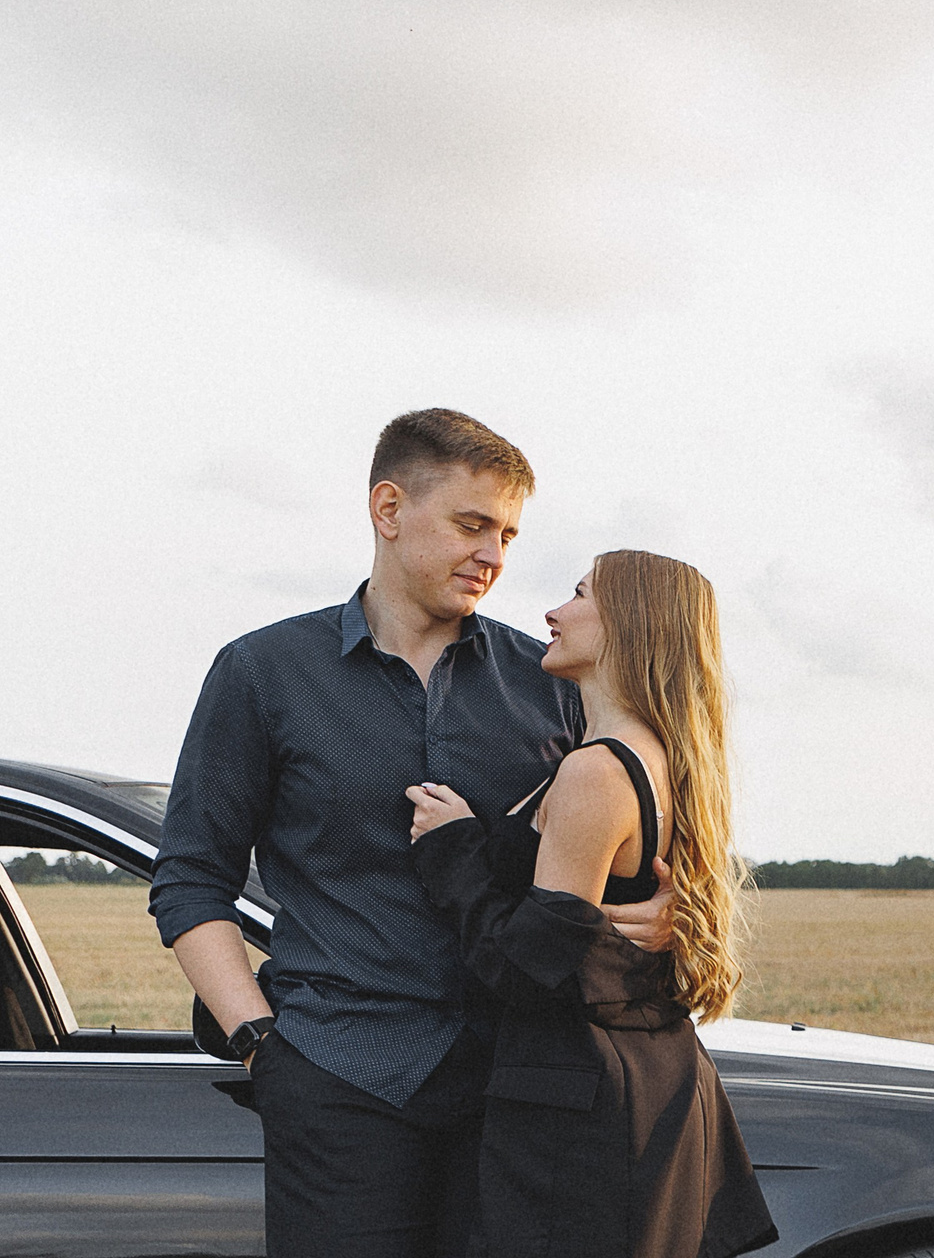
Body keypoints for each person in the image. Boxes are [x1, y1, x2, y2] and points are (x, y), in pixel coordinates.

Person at [150, 410, 677, 1258]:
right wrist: (262, 1048)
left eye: (507, 533)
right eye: (473, 525)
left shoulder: (551, 685)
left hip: (519, 1094)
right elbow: (190, 881)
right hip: (335, 1082)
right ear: (388, 511)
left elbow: (631, 830)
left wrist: (662, 906)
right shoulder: (263, 672)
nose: (496, 556)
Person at [405, 550, 774, 1258]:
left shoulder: (596, 772)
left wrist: (451, 850)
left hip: (581, 1110)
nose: (553, 611)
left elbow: (525, 968)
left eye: (578, 595)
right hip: (648, 1086)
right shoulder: (660, 758)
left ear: (629, 625)